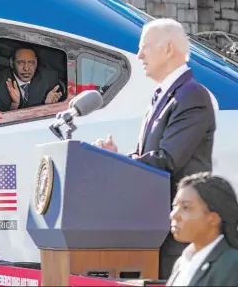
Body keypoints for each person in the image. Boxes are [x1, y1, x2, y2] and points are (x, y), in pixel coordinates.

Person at [92, 18, 216, 279]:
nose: (138, 55)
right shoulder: (164, 95)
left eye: (144, 47)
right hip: (156, 229)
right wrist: (119, 158)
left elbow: (168, 160)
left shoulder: (191, 95)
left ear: (168, 49)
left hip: (178, 236)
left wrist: (118, 161)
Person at [167, 172, 238, 286]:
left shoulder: (232, 265)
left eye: (186, 207)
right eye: (175, 206)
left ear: (213, 218)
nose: (173, 215)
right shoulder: (182, 262)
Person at [0, 46, 67, 112]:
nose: (26, 68)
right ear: (11, 63)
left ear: (36, 63)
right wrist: (14, 105)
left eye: (31, 62)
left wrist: (47, 105)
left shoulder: (49, 78)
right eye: (21, 62)